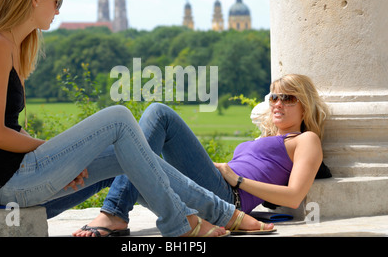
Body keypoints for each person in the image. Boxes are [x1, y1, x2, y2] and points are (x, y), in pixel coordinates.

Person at [0, 0, 273, 237]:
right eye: (57, 0)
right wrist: (55, 153)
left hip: (24, 177)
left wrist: (64, 161)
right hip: (8, 185)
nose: (58, 9)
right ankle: (181, 223)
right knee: (119, 118)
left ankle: (223, 214)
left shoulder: (13, 46)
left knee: (131, 153)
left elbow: (9, 127)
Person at [70, 73, 329, 237]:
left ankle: (114, 213)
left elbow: (295, 197)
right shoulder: (265, 138)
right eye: (274, 97)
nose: (278, 104)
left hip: (230, 196)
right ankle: (42, 204)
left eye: (288, 98)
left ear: (305, 106)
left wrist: (237, 180)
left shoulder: (306, 140)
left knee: (159, 114)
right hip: (216, 186)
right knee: (119, 159)